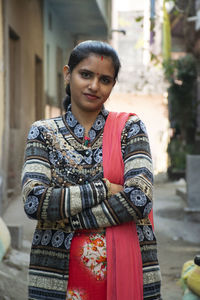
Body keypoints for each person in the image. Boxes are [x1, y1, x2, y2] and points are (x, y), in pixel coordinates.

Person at [22, 40, 162, 300]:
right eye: (85, 74)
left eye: (105, 79)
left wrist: (70, 219)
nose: (94, 86)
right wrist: (105, 188)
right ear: (68, 73)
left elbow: (140, 199)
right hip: (59, 274)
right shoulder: (43, 132)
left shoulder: (129, 129)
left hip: (127, 270)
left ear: (112, 85)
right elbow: (34, 201)